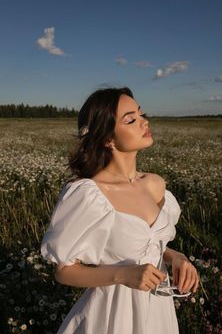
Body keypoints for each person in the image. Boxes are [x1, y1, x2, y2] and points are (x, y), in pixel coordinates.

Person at [41, 87, 199, 334]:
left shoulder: (155, 185)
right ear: (108, 139)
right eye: (131, 119)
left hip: (159, 310)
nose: (144, 121)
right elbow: (64, 271)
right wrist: (123, 275)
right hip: (113, 316)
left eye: (141, 113)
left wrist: (175, 257)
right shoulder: (89, 194)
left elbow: (147, 243)